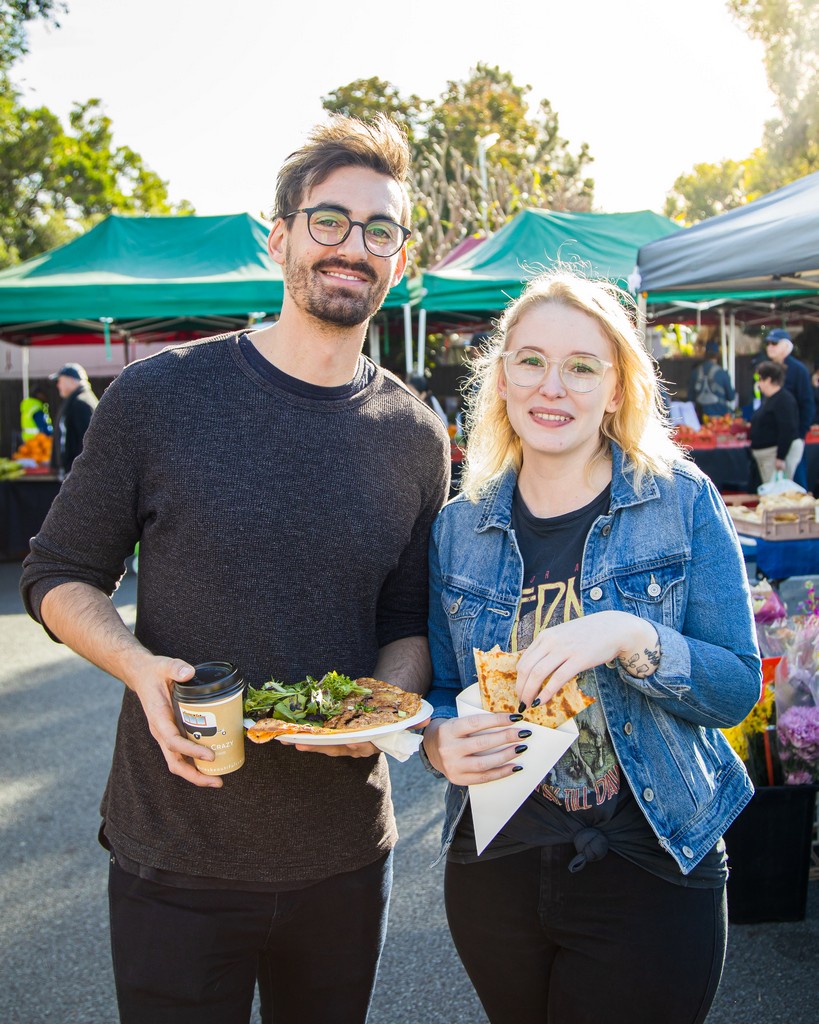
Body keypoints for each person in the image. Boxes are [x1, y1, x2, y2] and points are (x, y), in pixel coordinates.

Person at [21, 114, 450, 1024]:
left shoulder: (416, 437)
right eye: (328, 220)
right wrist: (138, 668)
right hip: (176, 846)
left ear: (400, 260)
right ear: (279, 235)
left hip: (342, 852)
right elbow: (57, 573)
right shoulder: (159, 396)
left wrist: (374, 706)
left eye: (380, 230)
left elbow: (408, 619)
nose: (352, 247)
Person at [420, 269, 761, 1024]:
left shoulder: (678, 501)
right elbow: (447, 687)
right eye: (530, 360)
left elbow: (736, 687)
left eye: (581, 367)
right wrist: (439, 738)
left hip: (651, 860)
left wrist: (631, 637)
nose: (552, 387)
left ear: (615, 389)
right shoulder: (457, 528)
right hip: (496, 867)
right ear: (501, 378)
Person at [764, 328, 815, 487]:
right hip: (774, 438)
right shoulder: (769, 368)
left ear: (786, 347)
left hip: (792, 437)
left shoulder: (798, 370)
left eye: (774, 343)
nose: (770, 346)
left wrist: (799, 434)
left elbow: (807, 404)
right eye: (768, 343)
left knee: (796, 482)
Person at [750, 361, 800, 483]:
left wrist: (780, 457)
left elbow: (787, 429)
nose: (758, 383)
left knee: (776, 494)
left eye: (759, 378)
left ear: (768, 380)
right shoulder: (769, 399)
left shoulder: (783, 400)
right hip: (765, 456)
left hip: (774, 456)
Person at [48, 362, 98, 475]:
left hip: (78, 475)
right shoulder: (80, 399)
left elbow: (89, 441)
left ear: (70, 380)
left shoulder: (80, 403)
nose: (58, 385)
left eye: (59, 381)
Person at [687, 339, 735, 419]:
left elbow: (690, 397)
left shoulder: (695, 372)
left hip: (700, 418)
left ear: (705, 354)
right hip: (720, 418)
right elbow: (731, 397)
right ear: (717, 355)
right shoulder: (722, 373)